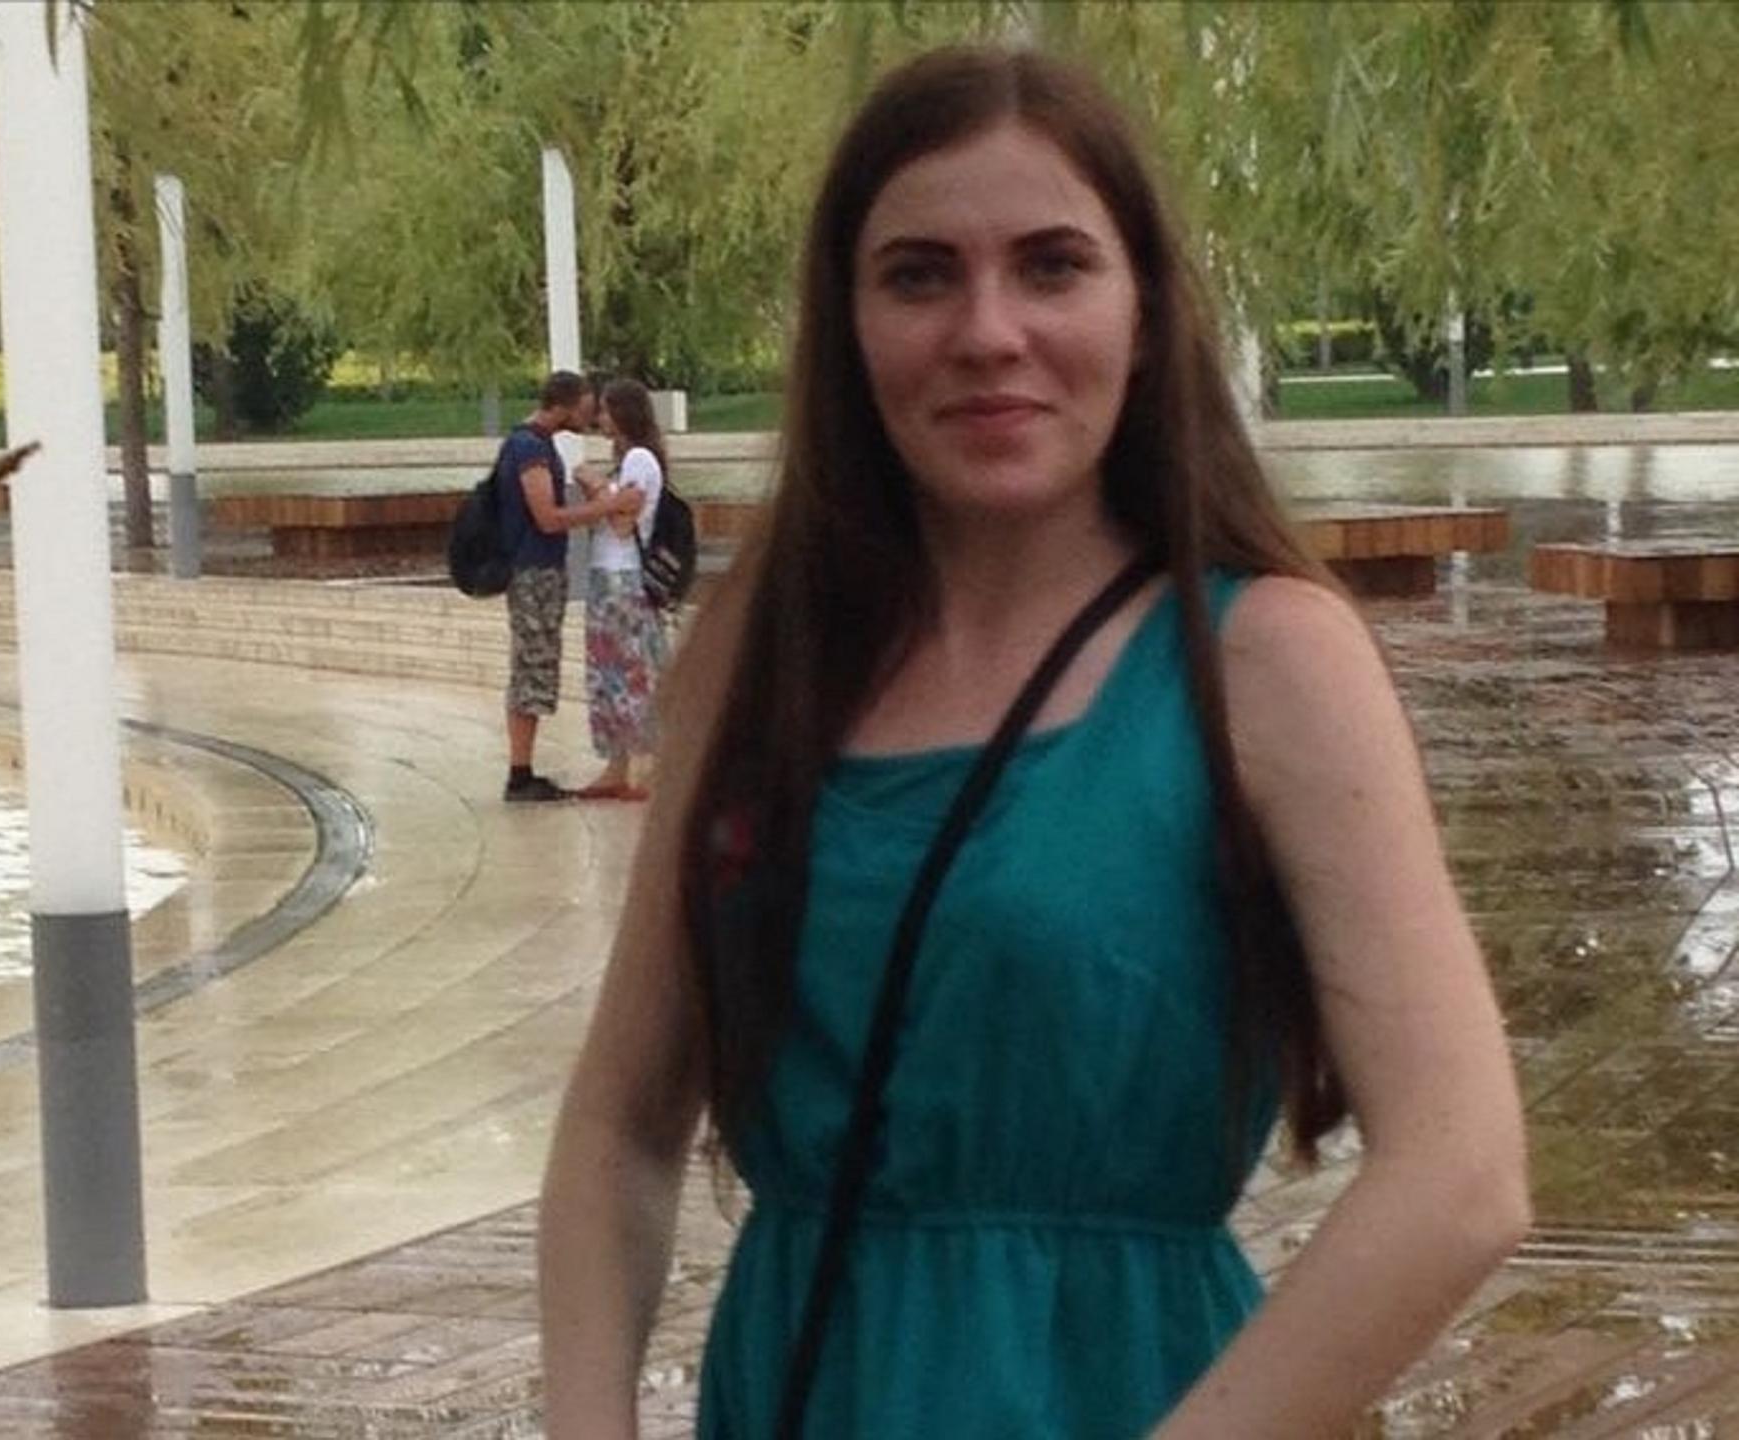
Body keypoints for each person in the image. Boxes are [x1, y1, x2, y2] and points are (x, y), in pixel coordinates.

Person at [537, 46, 1529, 1439]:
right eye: (919, 275)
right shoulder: (759, 656)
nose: (987, 331)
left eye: (1053, 266)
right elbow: (620, 1126)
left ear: (1144, 310)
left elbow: (1460, 1173)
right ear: (846, 323)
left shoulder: (1264, 659)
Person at [497, 371, 642, 803]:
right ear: (563, 404)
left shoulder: (536, 445)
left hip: (539, 571)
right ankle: (520, 774)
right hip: (533, 572)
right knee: (533, 665)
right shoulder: (530, 448)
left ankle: (522, 771)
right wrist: (608, 505)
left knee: (536, 663)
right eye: (585, 407)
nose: (590, 417)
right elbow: (547, 518)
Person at [571, 378, 671, 802]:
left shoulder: (640, 459)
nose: (600, 419)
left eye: (606, 410)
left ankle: (646, 766)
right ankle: (616, 765)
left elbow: (622, 521)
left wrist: (595, 484)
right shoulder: (625, 462)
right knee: (607, 673)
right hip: (606, 575)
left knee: (630, 672)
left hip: (623, 577)